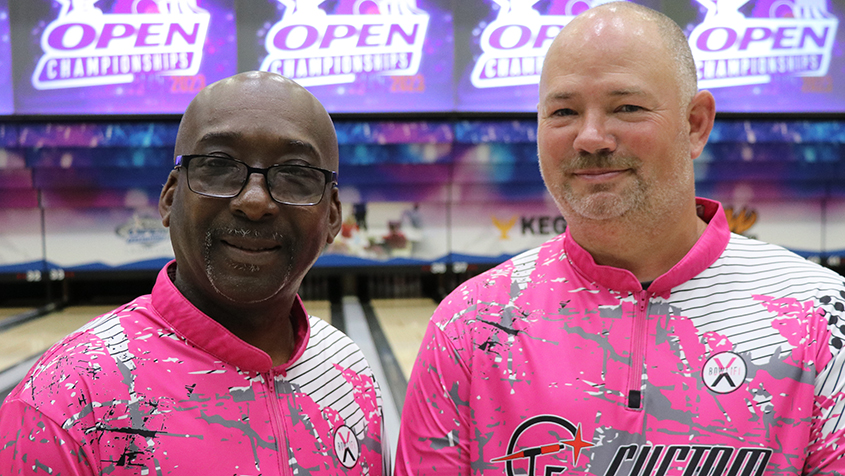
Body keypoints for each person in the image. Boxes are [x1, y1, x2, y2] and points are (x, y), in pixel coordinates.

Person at [395, 3, 845, 475]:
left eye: (627, 107)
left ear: (695, 124)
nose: (591, 138)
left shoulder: (823, 318)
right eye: (563, 111)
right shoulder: (469, 325)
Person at [0, 72, 389, 474]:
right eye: (218, 165)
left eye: (296, 173)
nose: (255, 201)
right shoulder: (63, 403)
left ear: (333, 215)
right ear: (170, 198)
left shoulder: (351, 372)